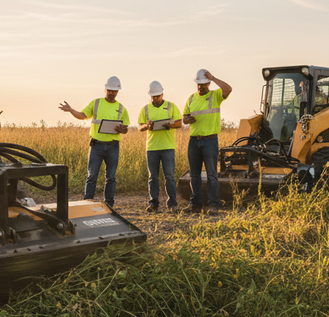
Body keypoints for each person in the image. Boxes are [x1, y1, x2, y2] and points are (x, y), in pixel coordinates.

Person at [59, 76, 130, 208]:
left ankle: (109, 204)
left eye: (114, 91)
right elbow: (82, 115)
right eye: (110, 90)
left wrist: (122, 129)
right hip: (97, 145)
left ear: (118, 91)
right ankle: (87, 203)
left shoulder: (121, 108)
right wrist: (71, 110)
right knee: (92, 176)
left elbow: (125, 129)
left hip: (113, 146)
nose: (112, 93)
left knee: (111, 177)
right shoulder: (96, 103)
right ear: (105, 89)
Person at [182, 68, 232, 215]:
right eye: (198, 84)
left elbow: (228, 89)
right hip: (194, 141)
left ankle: (213, 205)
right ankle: (196, 204)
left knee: (211, 174)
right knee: (194, 175)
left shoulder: (215, 96)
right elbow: (184, 117)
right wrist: (187, 120)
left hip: (210, 141)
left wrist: (215, 77)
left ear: (209, 83)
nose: (200, 87)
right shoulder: (191, 98)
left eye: (203, 84)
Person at [137, 81, 183, 212]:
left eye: (157, 96)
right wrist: (147, 126)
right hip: (152, 148)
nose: (155, 99)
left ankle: (172, 205)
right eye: (153, 97)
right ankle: (153, 203)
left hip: (168, 147)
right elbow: (139, 126)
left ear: (162, 94)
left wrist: (170, 125)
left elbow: (180, 123)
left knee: (169, 176)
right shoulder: (145, 109)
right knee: (153, 177)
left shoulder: (171, 106)